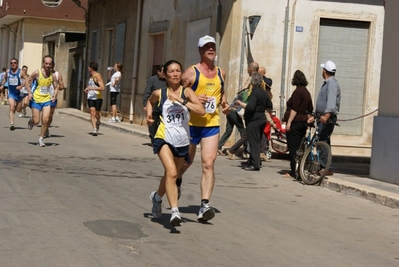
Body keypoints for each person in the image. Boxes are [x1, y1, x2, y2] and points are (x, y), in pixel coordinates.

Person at [176, 35, 230, 222]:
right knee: (186, 162)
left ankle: (204, 205)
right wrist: (194, 99)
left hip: (211, 125)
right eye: (206, 47)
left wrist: (225, 104)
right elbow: (177, 94)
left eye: (213, 46)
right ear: (200, 51)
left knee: (208, 163)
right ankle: (177, 179)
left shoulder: (221, 73)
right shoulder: (191, 73)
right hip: (190, 125)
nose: (210, 49)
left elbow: (221, 93)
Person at [148, 60, 205, 226]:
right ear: (165, 75)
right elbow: (149, 101)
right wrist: (150, 116)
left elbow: (201, 111)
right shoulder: (160, 93)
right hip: (163, 137)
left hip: (181, 140)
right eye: (171, 71)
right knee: (172, 172)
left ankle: (157, 197)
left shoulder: (187, 92)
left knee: (170, 175)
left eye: (178, 71)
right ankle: (175, 211)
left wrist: (181, 101)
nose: (175, 74)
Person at [235, 72, 272, 171]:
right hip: (261, 119)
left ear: (253, 81)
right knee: (257, 141)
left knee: (253, 142)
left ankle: (255, 164)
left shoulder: (255, 92)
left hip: (254, 120)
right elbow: (270, 105)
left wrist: (240, 103)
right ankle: (253, 161)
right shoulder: (264, 92)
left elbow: (250, 107)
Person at [282, 70, 314, 178]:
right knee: (300, 148)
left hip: (295, 123)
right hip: (303, 123)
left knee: (293, 148)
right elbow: (310, 109)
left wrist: (289, 122)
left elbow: (294, 109)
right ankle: (299, 169)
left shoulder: (297, 92)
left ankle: (293, 171)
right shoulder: (306, 92)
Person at [315, 60, 341, 176]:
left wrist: (326, 115)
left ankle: (326, 167)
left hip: (327, 118)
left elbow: (331, 101)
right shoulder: (328, 83)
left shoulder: (332, 84)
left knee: (323, 140)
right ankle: (324, 166)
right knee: (323, 141)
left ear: (324, 71)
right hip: (321, 117)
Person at [27, 55, 58, 147]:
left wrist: (54, 96)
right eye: (46, 63)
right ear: (43, 63)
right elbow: (27, 81)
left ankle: (41, 138)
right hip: (36, 99)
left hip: (47, 99)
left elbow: (56, 87)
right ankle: (32, 121)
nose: (48, 65)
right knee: (36, 121)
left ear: (52, 64)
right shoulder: (37, 72)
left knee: (45, 119)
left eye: (49, 64)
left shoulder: (53, 75)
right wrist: (29, 93)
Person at [143, 65, 167, 144]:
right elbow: (147, 92)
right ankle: (153, 139)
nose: (164, 74)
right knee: (153, 124)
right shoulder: (152, 80)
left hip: (164, 105)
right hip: (154, 105)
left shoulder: (168, 80)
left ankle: (161, 139)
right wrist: (145, 105)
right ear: (158, 72)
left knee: (162, 123)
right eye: (163, 72)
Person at [1, 58, 28, 130]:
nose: (13, 64)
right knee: (12, 107)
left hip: (19, 93)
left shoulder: (21, 72)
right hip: (11, 92)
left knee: (18, 109)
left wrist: (21, 86)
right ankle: (12, 124)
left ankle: (22, 109)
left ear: (17, 63)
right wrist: (2, 85)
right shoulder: (8, 71)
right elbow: (5, 79)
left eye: (15, 62)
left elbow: (27, 79)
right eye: (12, 63)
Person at [84, 61, 105, 136]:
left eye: (88, 67)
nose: (87, 68)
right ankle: (94, 129)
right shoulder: (90, 78)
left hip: (97, 97)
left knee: (97, 113)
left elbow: (102, 87)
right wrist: (87, 89)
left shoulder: (97, 76)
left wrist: (92, 88)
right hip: (90, 97)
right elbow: (90, 87)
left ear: (91, 68)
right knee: (92, 112)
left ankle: (98, 121)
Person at [46, 63, 65, 138]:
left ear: (53, 66)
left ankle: (46, 128)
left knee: (50, 114)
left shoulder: (57, 75)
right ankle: (45, 127)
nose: (49, 67)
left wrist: (56, 87)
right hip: (44, 96)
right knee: (45, 114)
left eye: (51, 65)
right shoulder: (43, 74)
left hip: (53, 97)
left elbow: (62, 86)